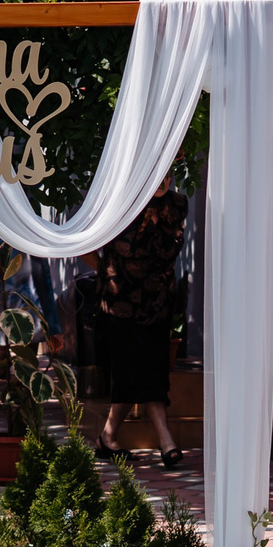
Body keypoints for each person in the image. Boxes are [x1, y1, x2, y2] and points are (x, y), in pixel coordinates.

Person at [86, 177, 187, 467]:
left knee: (150, 366)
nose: (165, 179)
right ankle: (165, 440)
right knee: (135, 367)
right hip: (121, 303)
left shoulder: (178, 205)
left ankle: (108, 437)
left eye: (168, 170)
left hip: (158, 302)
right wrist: (107, 273)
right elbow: (84, 246)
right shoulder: (120, 203)